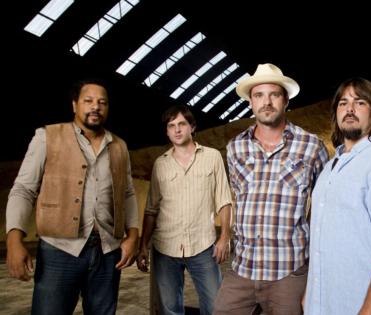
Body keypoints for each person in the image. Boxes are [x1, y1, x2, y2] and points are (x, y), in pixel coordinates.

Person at [5, 78, 139, 314]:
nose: (95, 107)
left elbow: (127, 193)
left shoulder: (119, 146)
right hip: (59, 250)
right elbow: (23, 190)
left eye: (102, 102)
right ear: (75, 105)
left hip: (107, 252)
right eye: (88, 101)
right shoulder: (47, 137)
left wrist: (133, 236)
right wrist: (14, 239)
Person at [213, 63, 329, 315]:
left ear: (285, 100)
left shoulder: (311, 146)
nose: (267, 102)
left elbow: (324, 204)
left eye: (274, 94)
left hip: (288, 270)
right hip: (242, 268)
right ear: (251, 103)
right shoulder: (235, 148)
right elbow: (238, 198)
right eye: (259, 95)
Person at [303, 78, 371, 315]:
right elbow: (321, 235)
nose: (349, 109)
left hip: (361, 303)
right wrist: (311, 291)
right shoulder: (331, 166)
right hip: (324, 301)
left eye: (359, 102)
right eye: (343, 103)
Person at [136, 104, 232, 315]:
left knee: (215, 306)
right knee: (170, 309)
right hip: (165, 247)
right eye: (171, 126)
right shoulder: (160, 164)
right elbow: (151, 209)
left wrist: (224, 237)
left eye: (181, 124)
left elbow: (224, 200)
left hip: (204, 245)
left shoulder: (212, 157)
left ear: (192, 127)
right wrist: (143, 246)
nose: (177, 130)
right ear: (167, 131)